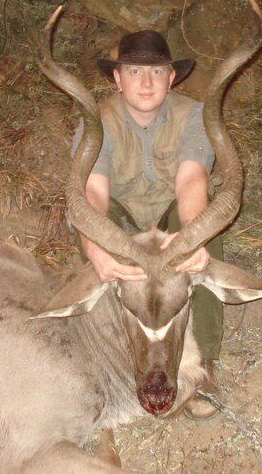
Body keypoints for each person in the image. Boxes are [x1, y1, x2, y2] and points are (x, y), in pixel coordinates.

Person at [72, 29, 223, 418]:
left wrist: (193, 239)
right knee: (93, 231)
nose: (145, 82)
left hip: (172, 219)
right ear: (117, 78)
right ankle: (110, 357)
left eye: (156, 73)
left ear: (172, 79)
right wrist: (97, 250)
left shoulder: (195, 115)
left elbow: (191, 182)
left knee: (205, 240)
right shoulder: (96, 122)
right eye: (135, 71)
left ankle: (204, 367)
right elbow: (93, 196)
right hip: (124, 224)